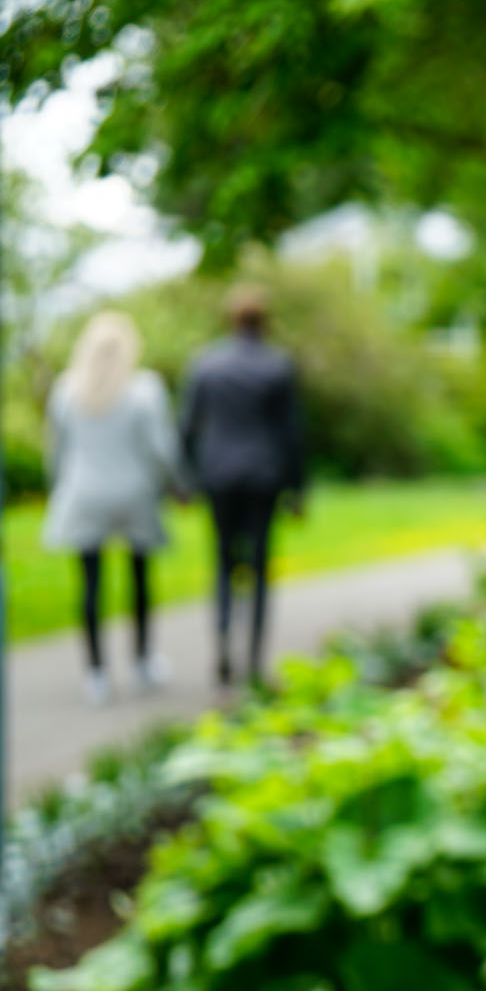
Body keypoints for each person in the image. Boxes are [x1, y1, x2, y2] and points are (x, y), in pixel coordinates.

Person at [41, 310, 185, 705]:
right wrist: (176, 484)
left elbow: (56, 452)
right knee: (139, 579)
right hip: (134, 493)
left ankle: (96, 673)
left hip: (84, 492)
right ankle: (141, 662)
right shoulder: (145, 389)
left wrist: (56, 488)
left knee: (90, 585)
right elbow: (161, 449)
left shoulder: (66, 389)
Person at [181, 283, 304, 689]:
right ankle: (253, 660)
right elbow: (291, 434)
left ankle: (222, 648)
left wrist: (186, 478)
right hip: (263, 477)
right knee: (260, 566)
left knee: (222, 563)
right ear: (263, 321)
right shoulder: (277, 365)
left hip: (218, 475)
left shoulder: (206, 364)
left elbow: (188, 427)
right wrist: (298, 489)